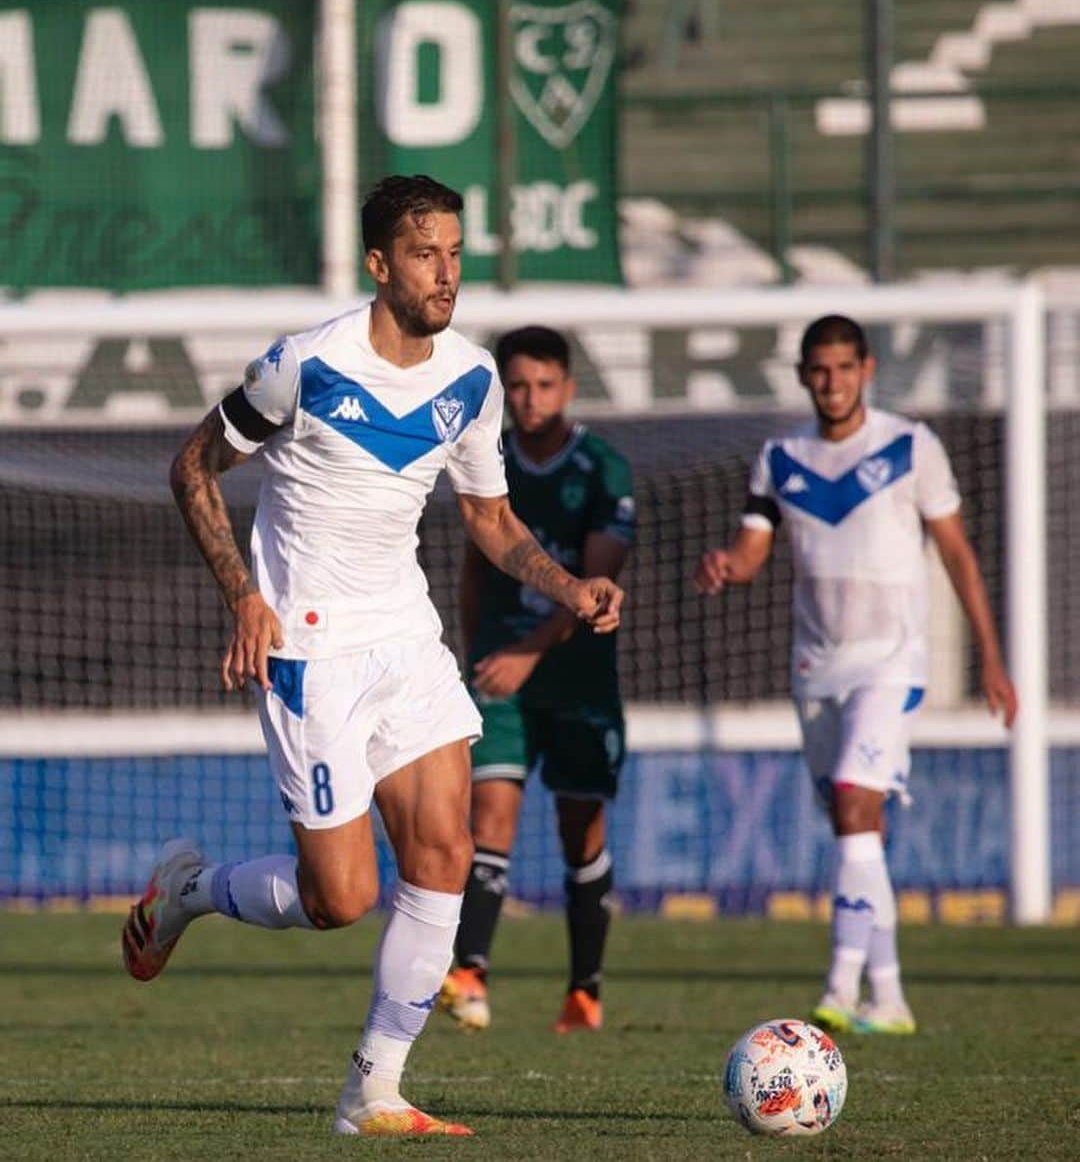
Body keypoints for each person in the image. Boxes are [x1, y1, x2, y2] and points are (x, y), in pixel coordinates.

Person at [121, 175, 624, 1137]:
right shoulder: (305, 366)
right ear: (380, 263)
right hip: (313, 651)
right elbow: (191, 467)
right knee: (341, 897)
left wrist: (568, 589)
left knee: (443, 856)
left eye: (457, 254)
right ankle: (189, 891)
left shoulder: (471, 378)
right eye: (426, 254)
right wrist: (245, 597)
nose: (447, 274)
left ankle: (373, 1090)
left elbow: (488, 517)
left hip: (406, 639)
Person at [694, 314, 1017, 1035]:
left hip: (892, 660)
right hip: (816, 668)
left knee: (852, 799)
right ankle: (892, 998)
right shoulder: (781, 458)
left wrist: (992, 657)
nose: (832, 381)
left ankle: (839, 989)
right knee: (854, 825)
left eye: (845, 367)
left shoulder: (909, 447)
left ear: (867, 369)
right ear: (804, 374)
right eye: (819, 369)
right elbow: (752, 550)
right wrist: (726, 565)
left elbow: (958, 554)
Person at [438, 326, 634, 1036]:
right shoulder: (486, 460)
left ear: (568, 389)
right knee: (488, 817)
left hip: (576, 676)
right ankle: (469, 978)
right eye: (517, 386)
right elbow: (472, 564)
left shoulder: (604, 468)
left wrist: (528, 649)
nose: (529, 399)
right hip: (500, 673)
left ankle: (584, 992)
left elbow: (596, 585)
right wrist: (474, 654)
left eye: (544, 385)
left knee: (580, 829)